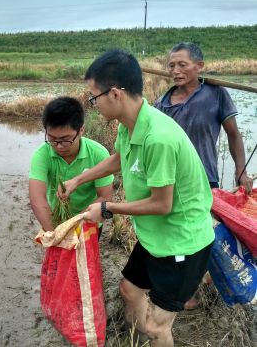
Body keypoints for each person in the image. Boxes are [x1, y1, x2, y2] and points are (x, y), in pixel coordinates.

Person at [59, 50, 215, 347]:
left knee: (159, 326)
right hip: (155, 236)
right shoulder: (130, 125)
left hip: (183, 241)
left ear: (115, 94)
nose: (92, 105)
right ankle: (138, 339)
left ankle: (152, 337)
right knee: (130, 291)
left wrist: (106, 208)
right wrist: (79, 178)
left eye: (94, 97)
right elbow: (120, 158)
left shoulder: (159, 137)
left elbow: (161, 204)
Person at [155, 42, 253, 194]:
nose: (175, 71)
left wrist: (241, 171)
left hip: (204, 179)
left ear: (199, 66)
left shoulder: (216, 94)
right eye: (171, 66)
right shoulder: (161, 103)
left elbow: (233, 134)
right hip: (168, 181)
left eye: (182, 65)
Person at [29, 96, 113, 233]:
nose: (59, 146)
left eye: (65, 140)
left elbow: (105, 196)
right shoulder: (42, 155)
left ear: (81, 130)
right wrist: (57, 234)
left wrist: (75, 228)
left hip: (88, 223)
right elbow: (37, 199)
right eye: (52, 139)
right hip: (55, 222)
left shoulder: (98, 154)